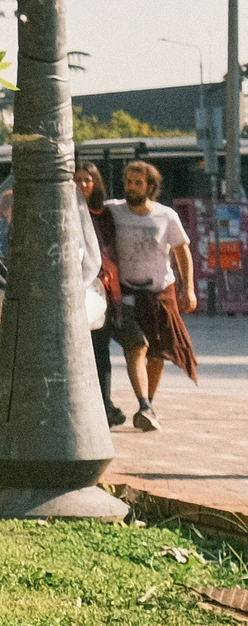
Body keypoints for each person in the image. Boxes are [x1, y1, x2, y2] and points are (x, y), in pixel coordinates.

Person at [105, 159, 197, 432]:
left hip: (160, 292)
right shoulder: (113, 211)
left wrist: (188, 289)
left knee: (158, 354)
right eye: (128, 182)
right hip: (127, 294)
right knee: (137, 345)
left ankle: (149, 404)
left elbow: (182, 251)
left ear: (150, 186)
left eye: (138, 183)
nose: (132, 188)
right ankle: (143, 404)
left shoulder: (166, 215)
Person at [76, 163, 125, 427]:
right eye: (78, 180)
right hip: (74, 288)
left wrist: (105, 273)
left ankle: (104, 404)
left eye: (88, 180)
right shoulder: (66, 211)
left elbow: (107, 250)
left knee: (100, 349)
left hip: (99, 290)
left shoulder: (103, 214)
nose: (83, 185)